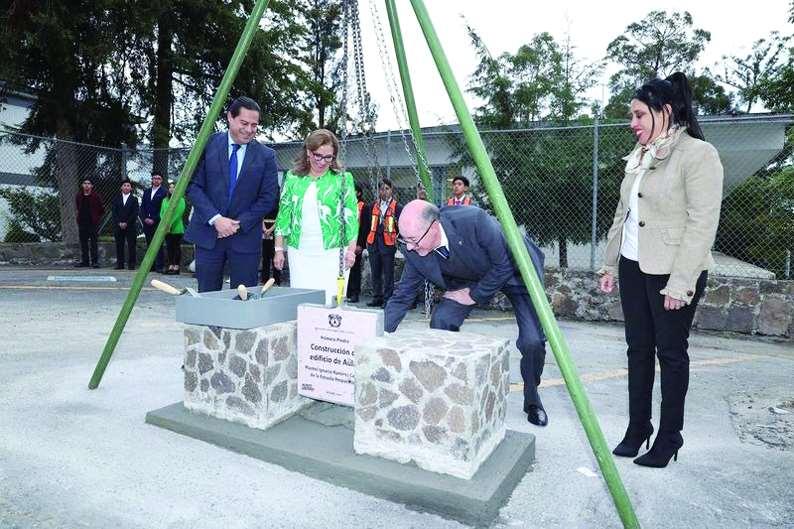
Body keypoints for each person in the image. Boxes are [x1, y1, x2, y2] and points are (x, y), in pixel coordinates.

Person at [598, 72, 723, 468]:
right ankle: (638, 428)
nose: (632, 124)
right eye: (631, 116)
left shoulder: (698, 154)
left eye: (638, 115)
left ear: (664, 111)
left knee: (670, 353)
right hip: (633, 266)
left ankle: (669, 436)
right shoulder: (640, 157)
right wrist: (610, 263)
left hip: (672, 271)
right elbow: (622, 213)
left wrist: (680, 283)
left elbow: (702, 223)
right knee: (637, 350)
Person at [385, 200, 549, 427]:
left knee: (532, 341)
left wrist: (473, 295)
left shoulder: (474, 221)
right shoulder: (414, 248)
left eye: (413, 240)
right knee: (442, 320)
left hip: (516, 272)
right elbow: (403, 294)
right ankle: (445, 390)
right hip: (470, 278)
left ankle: (532, 398)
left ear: (434, 227)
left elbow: (504, 264)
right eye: (405, 240)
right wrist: (379, 332)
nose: (409, 247)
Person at [184, 96, 278, 292]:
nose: (249, 130)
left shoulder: (266, 156)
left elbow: (268, 197)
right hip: (208, 235)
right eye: (244, 123)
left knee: (243, 297)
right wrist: (216, 219)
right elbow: (192, 185)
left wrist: (237, 224)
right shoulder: (206, 144)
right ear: (230, 117)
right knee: (207, 296)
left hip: (245, 239)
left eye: (254, 125)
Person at [273, 129, 358, 305]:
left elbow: (351, 217)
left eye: (328, 157)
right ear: (308, 152)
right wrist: (279, 249)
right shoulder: (293, 178)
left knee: (331, 301)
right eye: (318, 155)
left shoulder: (343, 179)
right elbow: (284, 215)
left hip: (334, 252)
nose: (322, 161)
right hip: (300, 251)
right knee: (303, 302)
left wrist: (351, 250)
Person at [366, 178, 401, 307]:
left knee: (388, 274)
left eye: (387, 189)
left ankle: (388, 299)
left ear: (392, 190)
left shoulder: (397, 207)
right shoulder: (372, 206)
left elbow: (400, 226)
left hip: (388, 244)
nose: (384, 191)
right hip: (373, 243)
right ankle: (377, 297)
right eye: (382, 189)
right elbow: (366, 225)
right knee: (375, 272)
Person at [345, 182, 368, 303]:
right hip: (344, 241)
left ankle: (354, 293)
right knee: (344, 268)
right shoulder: (346, 204)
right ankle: (346, 292)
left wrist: (360, 244)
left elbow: (364, 227)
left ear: (358, 193)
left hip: (355, 242)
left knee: (354, 269)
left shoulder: (363, 206)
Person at [140, 171, 167, 272]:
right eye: (154, 178)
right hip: (146, 222)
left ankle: (159, 266)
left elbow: (163, 208)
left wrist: (154, 219)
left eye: (158, 178)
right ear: (152, 179)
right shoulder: (147, 191)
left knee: (158, 244)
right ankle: (151, 266)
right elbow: (143, 206)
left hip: (157, 222)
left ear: (161, 180)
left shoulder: (164, 192)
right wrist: (145, 218)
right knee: (149, 244)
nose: (156, 180)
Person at [74, 177, 104, 268]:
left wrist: (96, 218)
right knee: (83, 243)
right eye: (85, 183)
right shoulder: (79, 196)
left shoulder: (96, 196)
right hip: (82, 222)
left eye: (88, 183)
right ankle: (85, 261)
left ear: (92, 186)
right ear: (82, 185)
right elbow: (78, 207)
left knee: (93, 243)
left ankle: (95, 262)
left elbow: (101, 209)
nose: (87, 185)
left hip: (93, 223)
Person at [159, 181, 186, 274]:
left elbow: (179, 213)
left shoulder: (181, 200)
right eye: (170, 187)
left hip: (177, 228)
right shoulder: (164, 200)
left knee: (176, 247)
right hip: (166, 229)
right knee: (169, 247)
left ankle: (176, 267)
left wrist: (170, 223)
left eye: (173, 187)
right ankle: (170, 266)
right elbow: (162, 213)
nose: (171, 189)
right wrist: (165, 223)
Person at [112, 178, 139, 270]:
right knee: (119, 245)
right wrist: (119, 222)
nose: (126, 187)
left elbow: (135, 213)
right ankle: (120, 264)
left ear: (131, 188)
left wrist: (126, 223)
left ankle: (131, 264)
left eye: (128, 186)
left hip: (130, 226)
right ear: (121, 187)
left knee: (131, 245)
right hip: (118, 226)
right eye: (124, 185)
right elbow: (114, 212)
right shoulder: (116, 199)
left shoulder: (134, 199)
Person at [260, 197, 281, 285]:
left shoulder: (280, 203)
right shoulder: (264, 201)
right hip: (264, 230)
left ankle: (276, 279)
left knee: (274, 254)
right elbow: (260, 215)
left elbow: (280, 217)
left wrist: (270, 230)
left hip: (275, 230)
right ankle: (264, 279)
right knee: (265, 256)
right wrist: (264, 229)